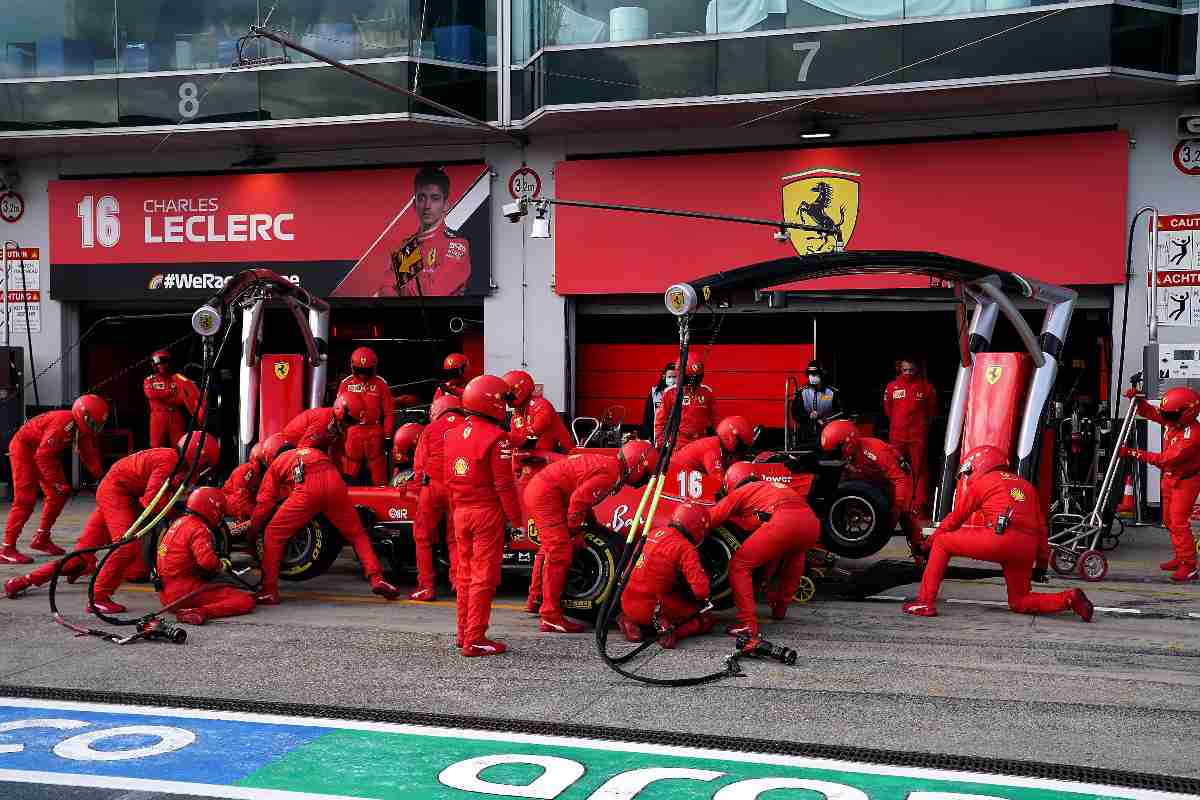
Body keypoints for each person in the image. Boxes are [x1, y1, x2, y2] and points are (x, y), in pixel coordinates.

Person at [4, 434, 220, 609]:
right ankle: (98, 598)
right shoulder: (168, 463)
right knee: (126, 546)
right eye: (206, 464)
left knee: (81, 557)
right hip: (117, 493)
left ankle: (24, 581)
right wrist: (181, 521)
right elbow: (151, 502)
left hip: (122, 492)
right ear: (198, 458)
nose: (204, 470)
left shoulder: (179, 465)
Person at [903, 445, 1094, 620]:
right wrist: (1041, 565)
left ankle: (924, 602)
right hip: (1027, 548)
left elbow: (953, 521)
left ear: (979, 465)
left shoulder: (983, 483)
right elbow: (1042, 529)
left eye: (969, 472)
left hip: (1000, 540)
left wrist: (927, 545)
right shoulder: (1027, 487)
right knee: (1020, 600)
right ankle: (1069, 598)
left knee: (942, 542)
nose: (968, 477)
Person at [247, 436, 401, 605]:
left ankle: (269, 590)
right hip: (335, 482)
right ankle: (377, 579)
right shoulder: (312, 452)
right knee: (357, 535)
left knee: (273, 533)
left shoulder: (278, 463)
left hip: (309, 490)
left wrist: (252, 535)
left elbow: (264, 506)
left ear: (270, 455)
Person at [524, 440, 658, 633]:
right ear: (638, 465)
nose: (644, 480)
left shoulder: (611, 467)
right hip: (547, 495)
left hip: (546, 489)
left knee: (549, 547)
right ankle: (550, 616)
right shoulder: (611, 474)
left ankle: (536, 599)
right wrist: (576, 532)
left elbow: (582, 497)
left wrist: (592, 525)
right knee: (559, 551)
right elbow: (578, 501)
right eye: (646, 474)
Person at [444, 374, 524, 657]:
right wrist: (517, 521)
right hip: (486, 513)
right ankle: (475, 638)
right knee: (483, 577)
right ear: (493, 403)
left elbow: (448, 479)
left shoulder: (451, 434)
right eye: (503, 401)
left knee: (464, 574)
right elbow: (504, 485)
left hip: (460, 512)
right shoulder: (496, 439)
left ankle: (463, 632)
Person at [708, 462, 821, 638]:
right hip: (811, 523)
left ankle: (747, 624)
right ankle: (780, 609)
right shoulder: (774, 486)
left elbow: (712, 517)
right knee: (793, 560)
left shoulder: (742, 491)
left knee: (739, 566)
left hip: (784, 521)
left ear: (732, 482)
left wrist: (682, 530)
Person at [1, 395, 108, 564]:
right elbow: (42, 456)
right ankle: (7, 549)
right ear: (84, 416)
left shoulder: (83, 428)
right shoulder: (63, 425)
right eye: (94, 423)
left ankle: (41, 538)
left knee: (59, 494)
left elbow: (89, 455)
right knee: (25, 501)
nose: (96, 428)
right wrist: (57, 483)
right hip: (25, 449)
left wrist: (102, 477)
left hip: (43, 452)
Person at [1119, 386, 1200, 582]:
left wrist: (1133, 453)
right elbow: (1153, 413)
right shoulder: (1174, 418)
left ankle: (1189, 565)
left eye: (1170, 415)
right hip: (1170, 478)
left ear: (1186, 413)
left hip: (1186, 481)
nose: (1166, 419)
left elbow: (1165, 459)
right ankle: (1181, 556)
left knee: (1179, 522)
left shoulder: (1192, 436)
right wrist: (1139, 402)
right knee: (1169, 520)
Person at [821, 419, 925, 560]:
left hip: (897, 478)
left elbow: (899, 478)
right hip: (872, 479)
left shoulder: (875, 452)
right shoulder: (848, 456)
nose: (834, 455)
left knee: (904, 514)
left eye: (836, 450)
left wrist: (898, 504)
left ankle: (922, 552)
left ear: (848, 442)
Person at [618, 501, 714, 649]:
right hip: (651, 607)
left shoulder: (653, 533)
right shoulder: (685, 548)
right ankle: (670, 630)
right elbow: (701, 591)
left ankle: (629, 619)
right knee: (705, 618)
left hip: (625, 600)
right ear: (698, 528)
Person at [156, 487, 255, 626]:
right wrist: (222, 564)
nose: (220, 515)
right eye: (219, 511)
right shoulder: (198, 528)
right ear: (210, 508)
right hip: (182, 591)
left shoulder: (179, 522)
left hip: (166, 591)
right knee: (245, 600)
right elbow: (207, 562)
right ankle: (199, 611)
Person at [409, 396, 462, 601]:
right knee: (456, 539)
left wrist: (415, 490)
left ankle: (426, 587)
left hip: (433, 487)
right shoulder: (468, 427)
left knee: (422, 538)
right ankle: (459, 584)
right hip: (459, 489)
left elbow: (419, 466)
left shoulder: (429, 430)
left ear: (437, 410)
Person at [392, 166, 472, 297]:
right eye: (422, 198)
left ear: (446, 205)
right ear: (414, 204)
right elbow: (386, 291)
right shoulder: (407, 246)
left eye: (434, 198)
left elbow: (432, 293)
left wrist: (404, 284)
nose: (427, 205)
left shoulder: (458, 244)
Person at [884, 359, 938, 514]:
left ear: (917, 370)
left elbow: (932, 411)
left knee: (919, 471)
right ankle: (899, 504)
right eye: (905, 370)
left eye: (911, 370)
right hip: (897, 436)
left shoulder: (926, 388)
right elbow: (888, 411)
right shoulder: (892, 387)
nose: (908, 373)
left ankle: (919, 505)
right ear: (900, 370)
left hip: (917, 437)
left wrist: (921, 427)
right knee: (896, 470)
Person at [337, 347, 395, 486]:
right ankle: (348, 499)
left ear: (373, 367)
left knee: (378, 468)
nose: (363, 374)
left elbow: (388, 412)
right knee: (349, 467)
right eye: (360, 370)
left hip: (374, 430)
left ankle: (383, 499)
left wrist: (388, 436)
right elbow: (338, 410)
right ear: (353, 367)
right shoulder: (345, 384)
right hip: (352, 431)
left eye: (367, 370)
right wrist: (339, 434)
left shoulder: (381, 384)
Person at [668, 415, 754, 484]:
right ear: (732, 439)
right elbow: (720, 483)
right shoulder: (712, 452)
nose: (742, 451)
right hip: (674, 478)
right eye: (742, 446)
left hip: (681, 476)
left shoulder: (717, 444)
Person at [654, 358, 718, 449]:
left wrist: (722, 438)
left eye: (695, 377)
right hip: (678, 443)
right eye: (689, 377)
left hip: (701, 442)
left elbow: (716, 419)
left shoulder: (707, 392)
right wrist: (661, 442)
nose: (692, 380)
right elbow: (660, 420)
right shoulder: (670, 392)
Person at [143, 350, 201, 447]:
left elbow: (182, 399)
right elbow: (150, 394)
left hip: (176, 415)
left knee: (178, 445)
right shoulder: (149, 380)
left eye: (165, 363)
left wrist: (163, 397)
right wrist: (170, 392)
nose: (163, 366)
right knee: (156, 445)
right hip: (158, 416)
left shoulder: (178, 379)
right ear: (154, 365)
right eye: (160, 363)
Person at [790, 360, 841, 447]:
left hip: (829, 436)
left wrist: (825, 419)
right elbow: (796, 413)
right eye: (810, 374)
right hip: (806, 438)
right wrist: (808, 415)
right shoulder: (801, 393)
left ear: (821, 374)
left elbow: (840, 412)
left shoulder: (832, 392)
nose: (812, 376)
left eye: (815, 374)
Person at [639, 362, 677, 440]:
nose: (672, 379)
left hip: (676, 436)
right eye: (669, 377)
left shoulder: (682, 392)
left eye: (674, 377)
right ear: (664, 376)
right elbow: (648, 416)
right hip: (658, 436)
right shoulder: (655, 393)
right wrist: (645, 437)